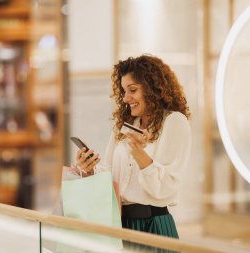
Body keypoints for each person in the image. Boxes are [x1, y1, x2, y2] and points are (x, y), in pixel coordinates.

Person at [75, 54, 191, 239]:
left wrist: (139, 153)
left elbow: (165, 187)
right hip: (120, 224)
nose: (126, 98)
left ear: (153, 89)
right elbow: (110, 173)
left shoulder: (174, 122)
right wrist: (89, 169)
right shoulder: (127, 125)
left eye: (133, 90)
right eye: (124, 91)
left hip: (153, 225)